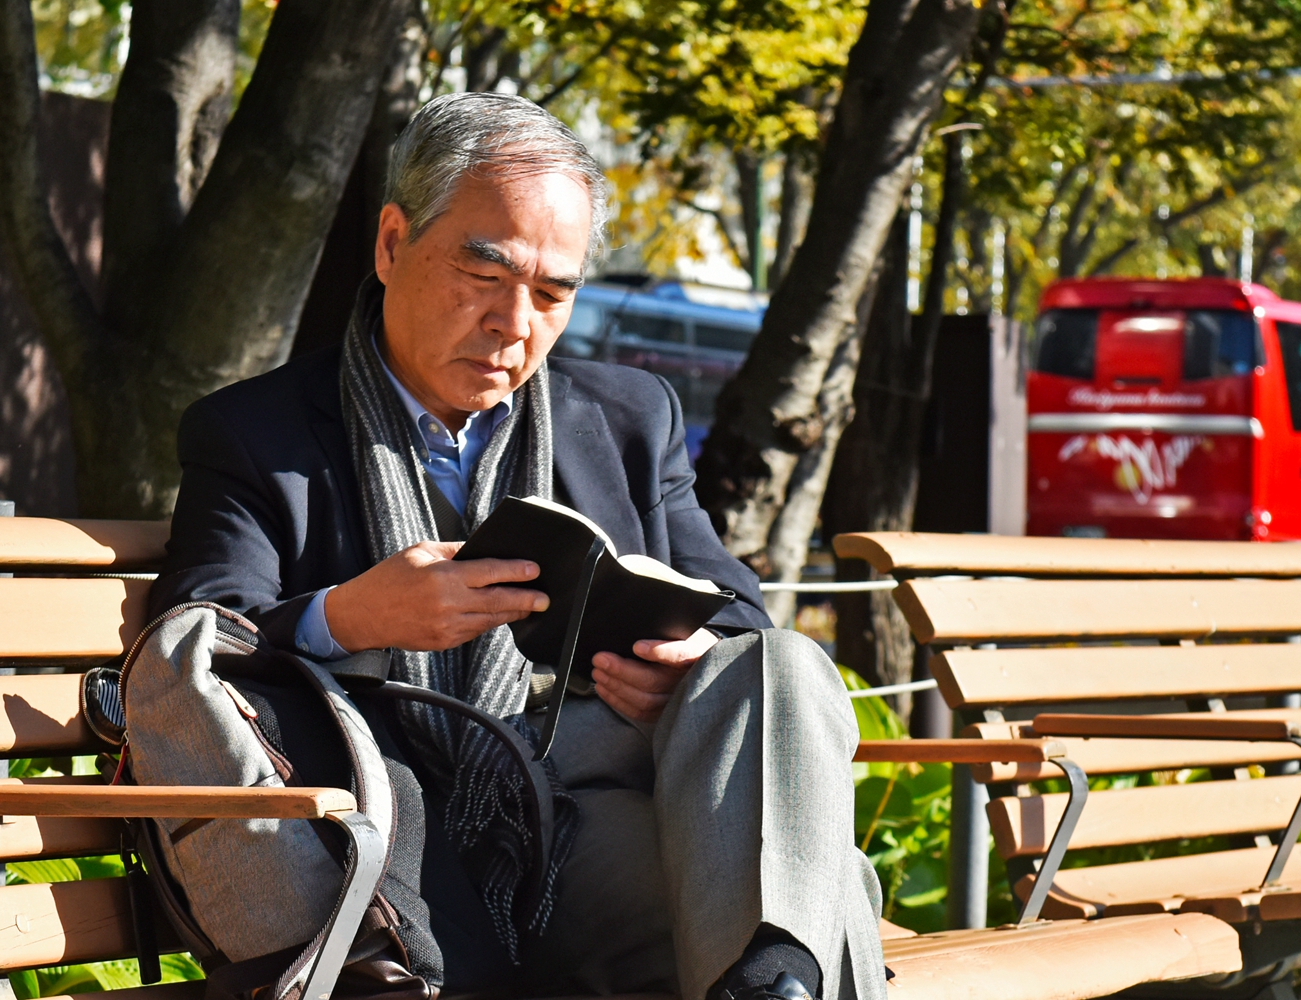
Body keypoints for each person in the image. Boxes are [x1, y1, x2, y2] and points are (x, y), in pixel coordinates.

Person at [150, 91, 885, 1000]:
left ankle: (774, 982)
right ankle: (783, 979)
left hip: (604, 807)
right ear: (390, 245)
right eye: (484, 275)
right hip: (409, 842)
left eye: (551, 293)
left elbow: (733, 610)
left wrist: (683, 670)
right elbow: (193, 633)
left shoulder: (625, 418)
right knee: (836, 889)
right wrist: (350, 616)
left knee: (778, 664)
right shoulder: (257, 434)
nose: (514, 323)